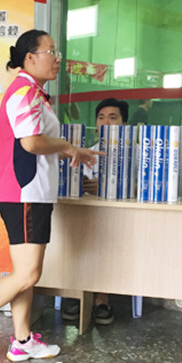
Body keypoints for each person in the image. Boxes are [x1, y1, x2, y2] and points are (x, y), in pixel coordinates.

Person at [0, 29, 100, 362]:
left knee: (25, 273)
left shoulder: (34, 93)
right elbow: (31, 142)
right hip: (23, 193)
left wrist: (73, 150)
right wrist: (67, 147)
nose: (57, 58)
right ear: (30, 57)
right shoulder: (23, 92)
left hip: (34, 194)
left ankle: (22, 339)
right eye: (51, 51)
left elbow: (38, 141)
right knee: (28, 273)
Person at [62, 97, 130, 325]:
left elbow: (142, 188)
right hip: (87, 214)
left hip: (119, 218)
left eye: (113, 117)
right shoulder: (86, 152)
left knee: (106, 240)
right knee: (78, 239)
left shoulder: (134, 153)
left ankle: (101, 299)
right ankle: (77, 295)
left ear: (123, 123)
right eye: (101, 118)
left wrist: (108, 186)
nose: (106, 122)